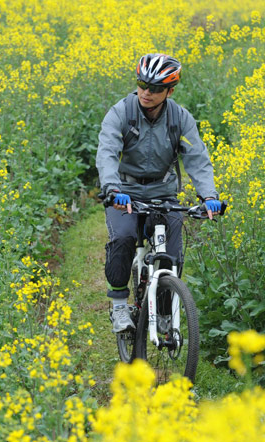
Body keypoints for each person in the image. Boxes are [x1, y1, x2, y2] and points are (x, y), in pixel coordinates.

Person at [96, 53, 221, 333]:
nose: (146, 92)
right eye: (142, 84)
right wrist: (112, 189)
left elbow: (197, 159)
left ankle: (165, 313)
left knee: (172, 255)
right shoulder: (122, 112)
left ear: (170, 91)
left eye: (155, 88)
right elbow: (107, 152)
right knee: (125, 238)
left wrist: (209, 196)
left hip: (163, 195)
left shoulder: (179, 119)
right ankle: (118, 306)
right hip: (124, 193)